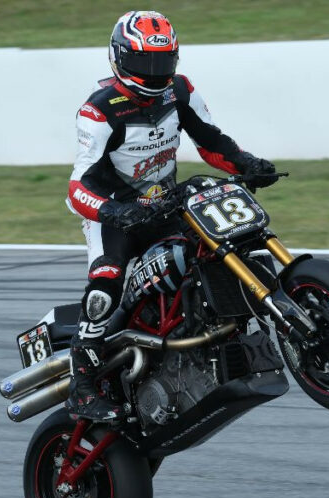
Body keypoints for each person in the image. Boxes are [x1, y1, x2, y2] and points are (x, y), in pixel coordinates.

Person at [65, 10, 279, 421]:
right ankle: (84, 384)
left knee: (223, 238)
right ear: (120, 58)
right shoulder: (98, 112)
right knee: (105, 282)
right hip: (115, 214)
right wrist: (116, 211)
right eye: (145, 63)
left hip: (166, 199)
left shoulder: (179, 90)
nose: (154, 73)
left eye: (162, 63)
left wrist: (247, 164)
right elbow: (78, 188)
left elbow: (212, 142)